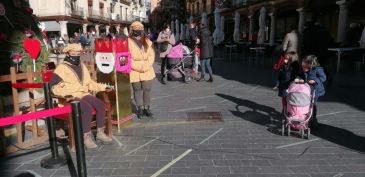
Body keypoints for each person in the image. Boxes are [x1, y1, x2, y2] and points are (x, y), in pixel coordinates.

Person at [50, 43, 113, 149]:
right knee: (87, 108)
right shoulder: (61, 68)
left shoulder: (82, 66)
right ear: (68, 54)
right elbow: (53, 87)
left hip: (83, 93)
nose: (76, 55)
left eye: (78, 54)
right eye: (74, 53)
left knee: (100, 104)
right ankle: (86, 137)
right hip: (70, 97)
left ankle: (100, 133)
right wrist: (66, 94)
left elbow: (90, 83)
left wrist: (103, 87)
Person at [128, 21, 156, 119]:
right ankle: (140, 108)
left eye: (139, 30)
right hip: (134, 69)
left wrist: (146, 66)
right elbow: (127, 57)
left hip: (147, 69)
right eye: (136, 30)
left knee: (147, 89)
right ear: (132, 30)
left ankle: (147, 108)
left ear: (142, 30)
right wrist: (137, 67)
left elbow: (151, 55)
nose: (138, 32)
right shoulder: (128, 41)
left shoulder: (147, 41)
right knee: (137, 90)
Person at [295, 55, 326, 129]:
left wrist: (315, 81)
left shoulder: (318, 69)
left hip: (316, 89)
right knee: (306, 103)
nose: (303, 66)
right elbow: (300, 75)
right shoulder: (305, 68)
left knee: (313, 104)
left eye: (305, 64)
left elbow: (323, 77)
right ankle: (305, 116)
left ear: (311, 64)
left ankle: (313, 118)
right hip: (307, 89)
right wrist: (298, 78)